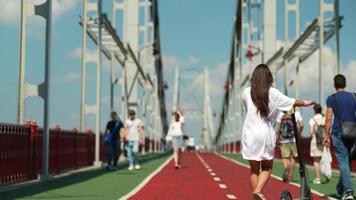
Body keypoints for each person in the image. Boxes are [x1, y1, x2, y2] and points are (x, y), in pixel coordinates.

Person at [241, 64, 313, 200]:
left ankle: (256, 195)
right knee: (267, 168)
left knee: (254, 170)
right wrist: (307, 102)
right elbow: (293, 102)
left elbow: (247, 110)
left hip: (249, 133)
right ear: (269, 78)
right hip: (265, 133)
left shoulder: (246, 92)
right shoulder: (273, 93)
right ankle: (258, 190)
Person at [323, 74, 355, 200]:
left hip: (338, 132)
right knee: (346, 162)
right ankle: (340, 189)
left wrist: (326, 135)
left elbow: (329, 118)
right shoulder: (354, 96)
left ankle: (348, 191)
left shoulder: (331, 98)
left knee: (342, 161)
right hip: (353, 132)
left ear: (334, 85)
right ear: (345, 84)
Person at [276, 110, 304, 183]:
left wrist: (277, 137)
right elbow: (301, 125)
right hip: (294, 139)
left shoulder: (281, 114)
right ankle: (290, 176)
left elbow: (278, 127)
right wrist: (298, 134)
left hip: (283, 139)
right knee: (293, 157)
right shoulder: (296, 113)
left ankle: (286, 168)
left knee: (285, 157)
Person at [309, 104, 326, 184]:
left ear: (314, 110)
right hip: (324, 140)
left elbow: (311, 132)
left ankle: (318, 178)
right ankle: (326, 175)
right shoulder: (324, 118)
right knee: (323, 159)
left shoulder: (312, 119)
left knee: (316, 161)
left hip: (315, 141)